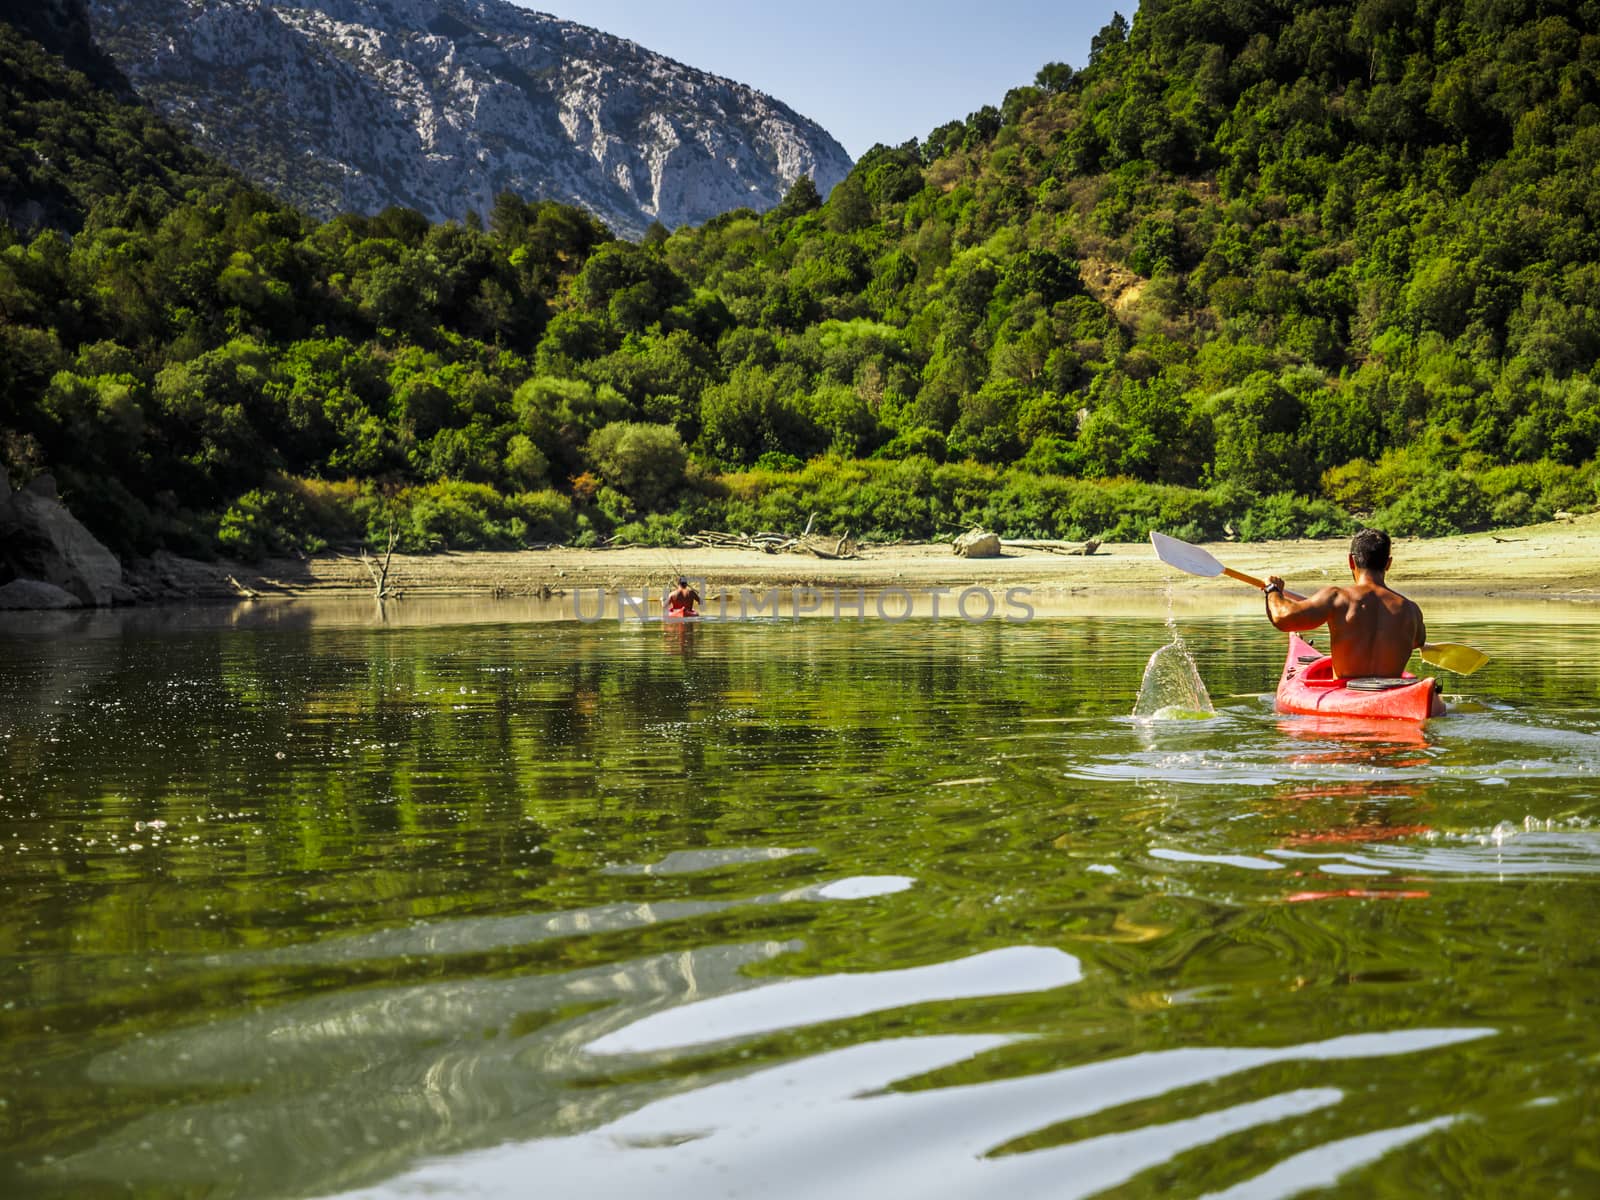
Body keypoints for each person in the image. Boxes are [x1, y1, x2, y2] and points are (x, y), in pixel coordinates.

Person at [1263, 528, 1425, 678]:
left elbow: (1282, 618)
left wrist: (1272, 590)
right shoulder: (1411, 610)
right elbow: (1418, 641)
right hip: (1393, 695)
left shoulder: (1337, 598)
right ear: (1388, 563)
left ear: (1351, 561)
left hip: (1347, 694)